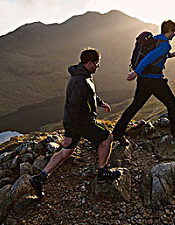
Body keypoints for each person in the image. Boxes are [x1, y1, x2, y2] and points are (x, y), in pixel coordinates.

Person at [30, 48, 121, 198]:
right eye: (97, 63)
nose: (98, 66)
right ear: (90, 63)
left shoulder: (82, 76)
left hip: (78, 123)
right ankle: (102, 172)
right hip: (82, 122)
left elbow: (89, 96)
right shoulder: (80, 81)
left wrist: (101, 103)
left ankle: (40, 177)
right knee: (107, 138)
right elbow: (72, 107)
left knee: (66, 152)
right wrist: (68, 133)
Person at [112, 20, 175, 145]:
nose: (174, 34)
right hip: (155, 81)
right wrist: (135, 72)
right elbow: (150, 58)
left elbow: (156, 55)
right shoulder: (165, 45)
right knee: (172, 105)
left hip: (143, 80)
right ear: (169, 31)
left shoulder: (154, 40)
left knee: (135, 106)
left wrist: (170, 55)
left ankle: (117, 133)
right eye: (173, 32)